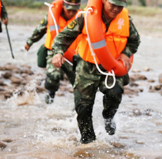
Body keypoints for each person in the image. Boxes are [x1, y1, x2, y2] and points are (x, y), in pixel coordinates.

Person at [51, 0, 140, 144]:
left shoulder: (126, 20)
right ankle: (88, 142)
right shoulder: (86, 16)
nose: (116, 9)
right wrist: (58, 52)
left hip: (111, 68)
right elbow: (62, 37)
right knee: (83, 106)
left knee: (115, 93)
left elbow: (134, 41)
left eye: (120, 5)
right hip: (86, 66)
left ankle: (108, 117)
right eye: (113, 4)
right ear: (104, 1)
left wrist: (125, 53)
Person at [24, 0, 81, 104]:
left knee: (79, 83)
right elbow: (40, 29)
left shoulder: (81, 18)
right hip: (53, 52)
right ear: (63, 5)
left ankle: (79, 106)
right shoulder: (53, 16)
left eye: (74, 10)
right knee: (53, 76)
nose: (71, 13)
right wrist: (30, 42)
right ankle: (51, 92)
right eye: (69, 10)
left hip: (73, 55)